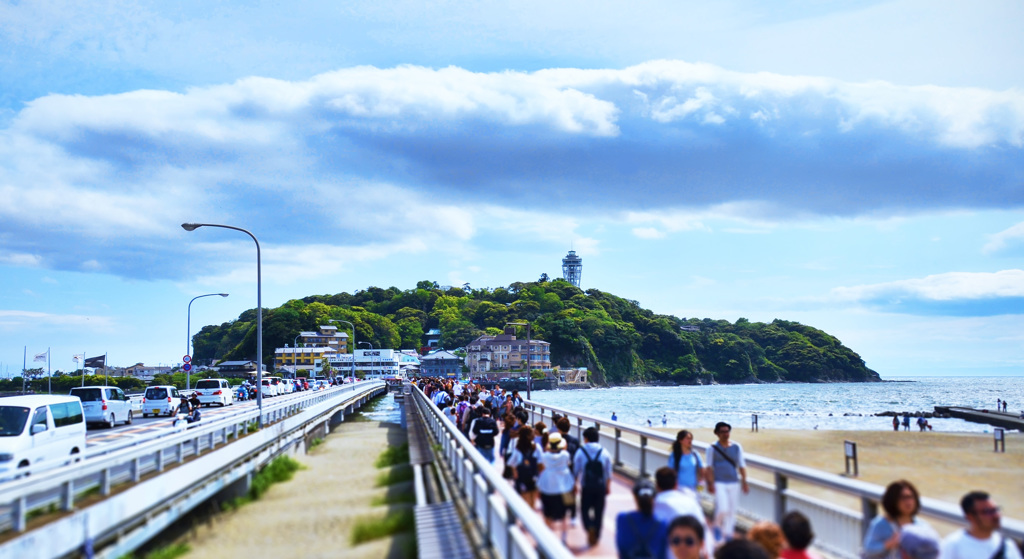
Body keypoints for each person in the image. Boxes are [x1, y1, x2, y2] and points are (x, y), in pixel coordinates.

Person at [863, 480, 935, 559]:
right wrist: (889, 544)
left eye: (911, 497)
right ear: (893, 500)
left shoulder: (922, 526)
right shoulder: (881, 524)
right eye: (903, 498)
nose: (908, 502)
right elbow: (868, 550)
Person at [653, 467, 715, 559]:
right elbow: (704, 529)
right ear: (676, 484)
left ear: (657, 485)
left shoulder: (654, 505)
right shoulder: (691, 502)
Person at [941, 490, 1023, 559]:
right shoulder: (953, 545)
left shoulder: (1007, 545)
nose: (996, 515)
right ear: (970, 517)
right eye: (987, 512)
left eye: (996, 510)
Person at [705, 421, 748, 542]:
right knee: (723, 508)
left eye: (727, 431)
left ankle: (728, 535)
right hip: (719, 482)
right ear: (717, 433)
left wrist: (744, 482)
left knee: (731, 510)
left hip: (733, 482)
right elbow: (708, 467)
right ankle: (717, 527)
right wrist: (710, 483)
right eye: (723, 432)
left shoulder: (736, 447)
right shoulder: (712, 448)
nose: (726, 434)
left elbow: (741, 465)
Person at [575, 426, 612, 547]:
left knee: (585, 509)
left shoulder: (581, 451)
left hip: (586, 486)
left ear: (586, 438)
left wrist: (575, 484)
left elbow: (576, 470)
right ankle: (596, 534)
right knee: (599, 511)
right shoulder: (604, 452)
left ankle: (589, 526)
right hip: (600, 486)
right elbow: (608, 472)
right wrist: (608, 486)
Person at [537, 432, 575, 543]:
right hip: (563, 486)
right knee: (563, 514)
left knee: (547, 513)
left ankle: (548, 536)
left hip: (547, 486)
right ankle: (563, 537)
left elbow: (542, 465)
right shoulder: (565, 455)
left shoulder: (545, 456)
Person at [616, 478, 668, 559]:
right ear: (654, 498)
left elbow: (621, 548)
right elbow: (663, 553)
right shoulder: (662, 522)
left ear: (635, 497)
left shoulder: (623, 518)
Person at [506, 426, 541, 507]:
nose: (534, 435)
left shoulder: (518, 448)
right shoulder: (536, 447)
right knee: (532, 503)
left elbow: (511, 463)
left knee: (525, 503)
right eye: (532, 433)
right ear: (528, 436)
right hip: (534, 477)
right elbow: (541, 463)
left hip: (522, 478)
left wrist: (515, 472)